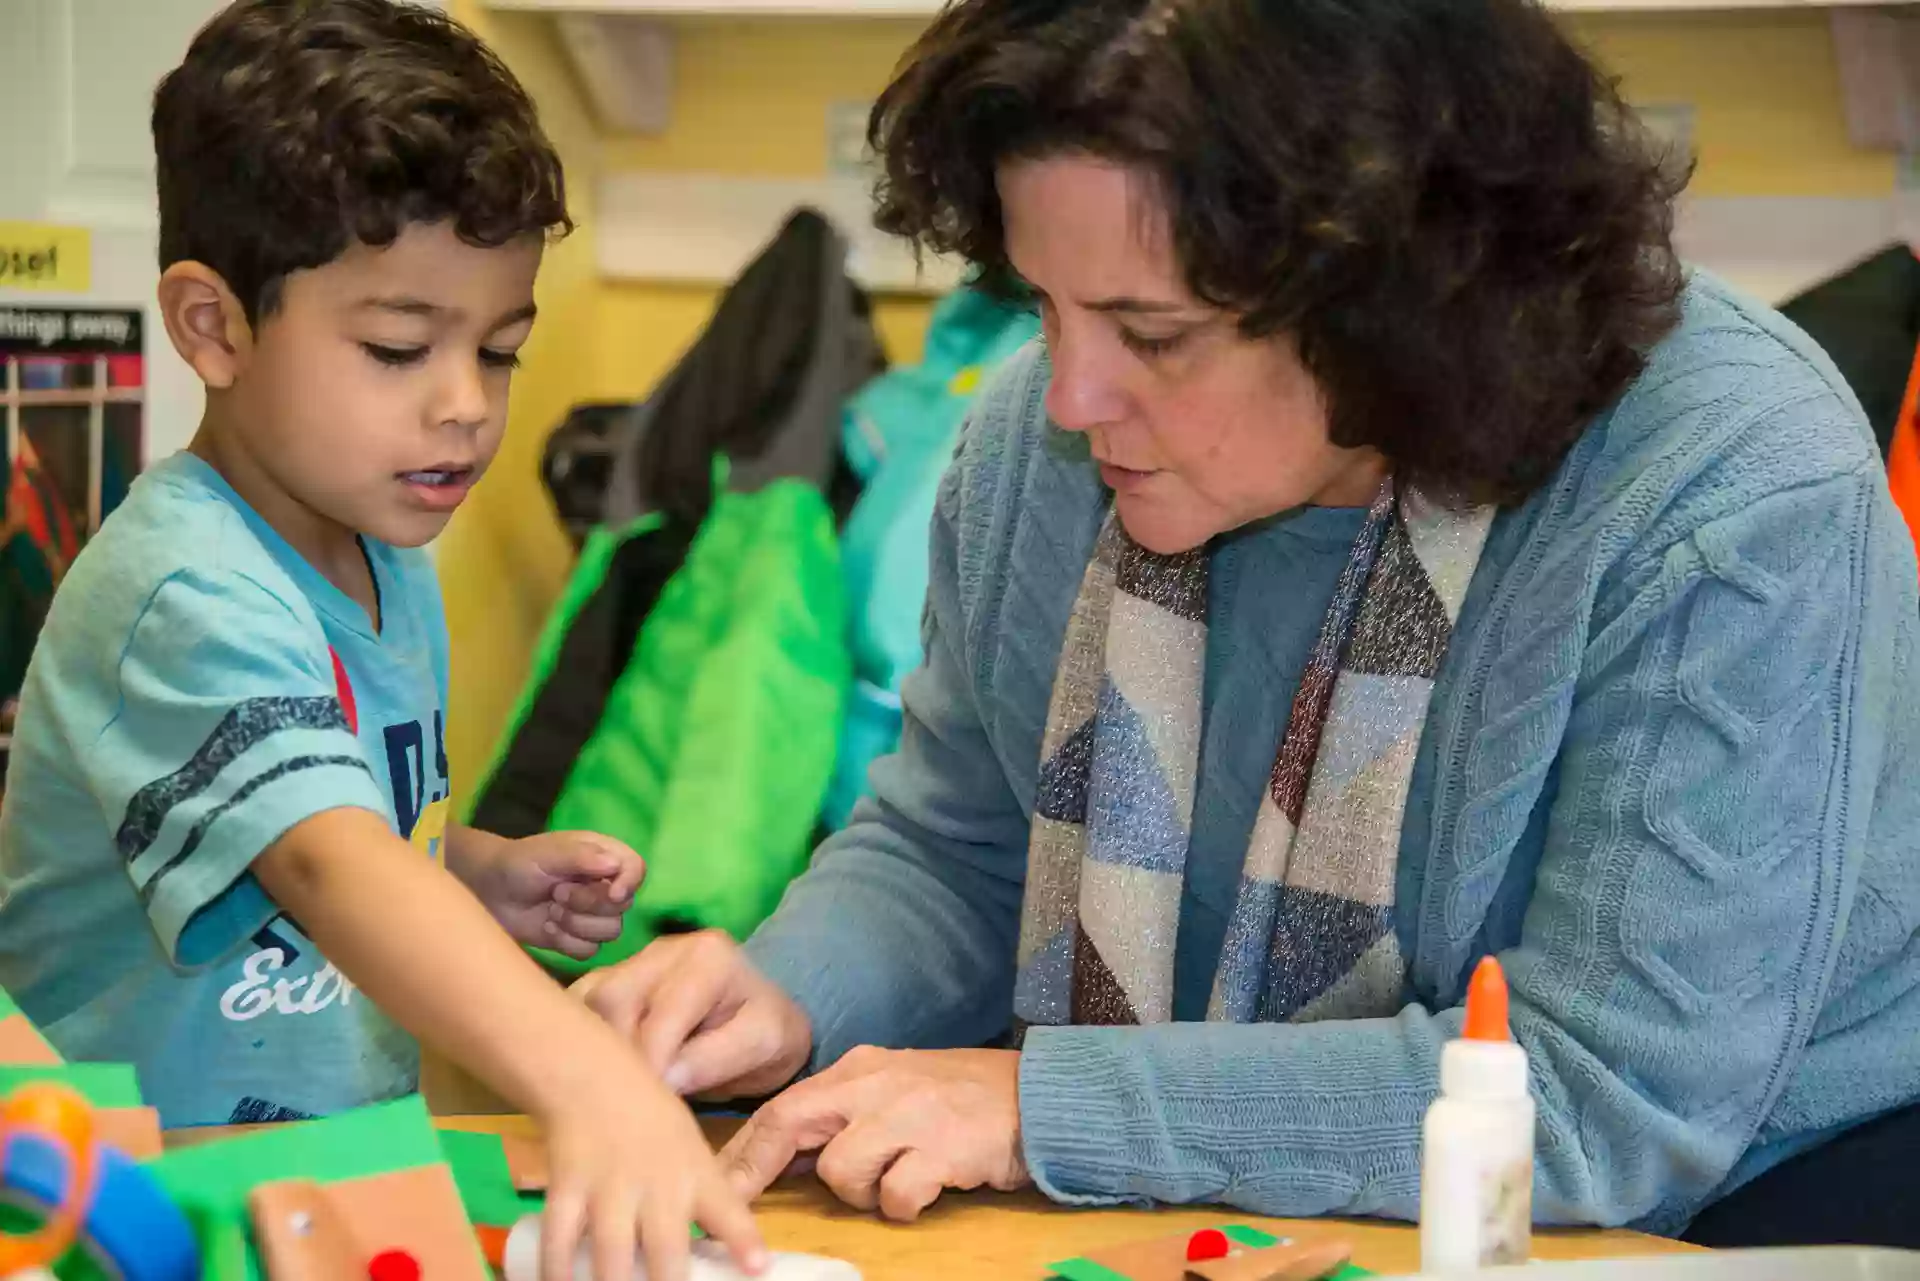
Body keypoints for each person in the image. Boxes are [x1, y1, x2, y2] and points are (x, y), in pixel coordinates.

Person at [570, 0, 1920, 1247]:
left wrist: (1051, 1108)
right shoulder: (1028, 456)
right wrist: (786, 990)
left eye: (1150, 333)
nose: (1068, 397)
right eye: (1042, 304)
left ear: (1397, 291)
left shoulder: (1730, 488)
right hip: (1232, 1184)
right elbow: (961, 846)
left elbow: (1605, 1100)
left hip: (1762, 1202)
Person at [0, 3, 764, 1279]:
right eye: (400, 347)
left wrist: (469, 867)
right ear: (213, 326)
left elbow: (340, 821)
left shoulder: (381, 548)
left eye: (500, 350)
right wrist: (583, 1075)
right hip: (136, 1220)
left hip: (315, 1190)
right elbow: (324, 870)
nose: (466, 405)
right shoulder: (182, 590)